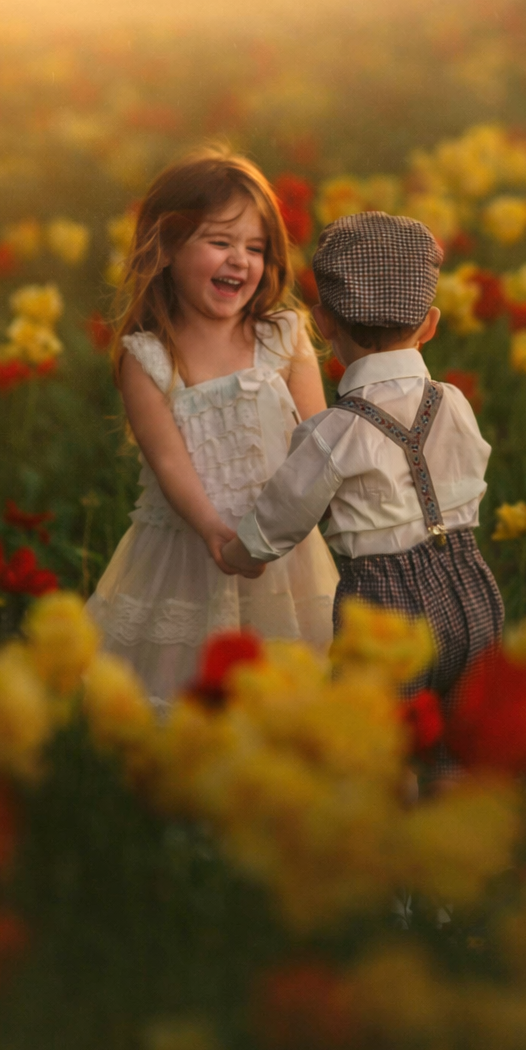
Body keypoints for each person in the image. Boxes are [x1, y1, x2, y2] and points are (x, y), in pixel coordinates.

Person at [221, 211, 504, 712]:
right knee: (466, 726)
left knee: (378, 728)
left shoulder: (333, 432)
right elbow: (470, 470)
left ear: (324, 322)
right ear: (431, 324)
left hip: (383, 610)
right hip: (470, 585)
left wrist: (241, 555)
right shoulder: (454, 402)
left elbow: (281, 516)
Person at [86, 148, 337, 710]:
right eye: (220, 242)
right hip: (188, 547)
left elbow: (317, 440)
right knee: (184, 686)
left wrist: (308, 514)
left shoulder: (283, 335)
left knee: (287, 682)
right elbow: (168, 459)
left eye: (256, 248)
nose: (240, 261)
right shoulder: (148, 357)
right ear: (167, 247)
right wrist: (211, 528)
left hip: (283, 547)